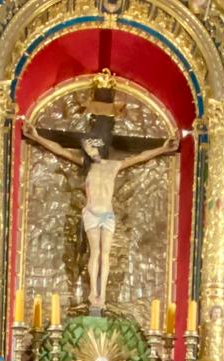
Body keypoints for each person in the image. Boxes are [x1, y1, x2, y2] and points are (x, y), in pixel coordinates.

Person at [22, 120, 178, 308]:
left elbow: (141, 157)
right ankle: (93, 293)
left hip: (107, 214)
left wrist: (163, 149)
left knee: (105, 254)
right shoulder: (86, 165)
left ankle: (101, 295)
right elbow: (60, 150)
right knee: (95, 253)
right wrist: (36, 137)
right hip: (91, 213)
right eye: (87, 147)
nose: (89, 150)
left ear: (100, 147)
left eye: (91, 146)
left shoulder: (114, 165)